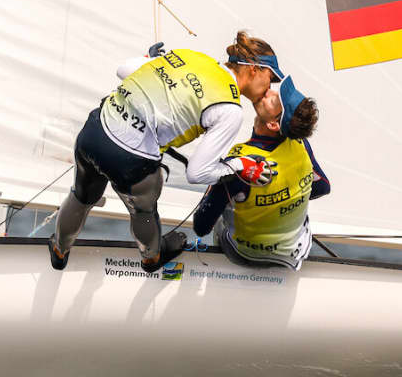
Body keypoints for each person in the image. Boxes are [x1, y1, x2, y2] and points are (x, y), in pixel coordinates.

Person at [50, 31, 284, 273]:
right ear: (254, 69)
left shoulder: (192, 56)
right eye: (271, 79)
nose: (270, 88)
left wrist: (150, 61)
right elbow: (197, 173)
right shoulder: (231, 109)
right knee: (144, 207)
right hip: (128, 159)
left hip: (95, 130)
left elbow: (123, 70)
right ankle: (151, 257)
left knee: (81, 196)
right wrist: (241, 166)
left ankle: (59, 251)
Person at [192, 77, 329, 271]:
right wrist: (284, 200)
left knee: (222, 212)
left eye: (273, 99)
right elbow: (322, 187)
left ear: (273, 124)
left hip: (245, 254)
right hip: (294, 251)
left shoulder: (240, 164)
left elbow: (201, 226)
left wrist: (216, 179)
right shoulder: (301, 145)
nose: (268, 92)